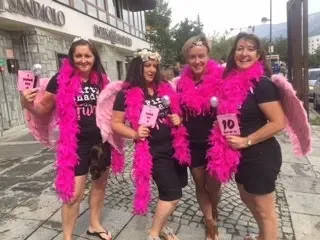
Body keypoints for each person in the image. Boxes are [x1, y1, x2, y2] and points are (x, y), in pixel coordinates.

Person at [20, 38, 113, 240]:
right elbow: (43, 108)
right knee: (72, 194)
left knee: (99, 183)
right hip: (74, 143)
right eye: (78, 55)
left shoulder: (101, 79)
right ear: (71, 58)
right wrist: (26, 103)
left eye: (87, 55)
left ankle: (94, 224)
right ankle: (67, 237)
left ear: (94, 57)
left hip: (101, 141)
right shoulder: (60, 79)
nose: (83, 60)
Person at [208, 32, 286, 240]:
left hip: (260, 154)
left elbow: (279, 122)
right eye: (240, 48)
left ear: (258, 55)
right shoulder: (231, 82)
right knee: (245, 197)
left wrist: (247, 140)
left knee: (265, 210)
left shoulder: (262, 84)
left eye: (250, 49)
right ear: (234, 54)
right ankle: (262, 236)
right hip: (240, 156)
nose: (244, 53)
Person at [111, 49, 190, 240]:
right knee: (172, 195)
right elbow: (116, 123)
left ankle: (162, 227)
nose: (152, 69)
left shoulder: (165, 88)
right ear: (138, 66)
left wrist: (178, 118)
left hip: (175, 146)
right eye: (147, 65)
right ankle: (153, 233)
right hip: (152, 151)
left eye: (155, 66)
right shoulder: (126, 94)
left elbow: (177, 111)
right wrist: (135, 134)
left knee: (173, 190)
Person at [175, 35, 224, 240]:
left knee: (213, 185)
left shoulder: (221, 79)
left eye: (201, 56)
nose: (197, 61)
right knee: (199, 183)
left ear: (208, 56)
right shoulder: (180, 83)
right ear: (187, 58)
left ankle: (214, 208)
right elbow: (178, 109)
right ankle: (209, 221)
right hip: (191, 143)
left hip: (216, 144)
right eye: (192, 57)